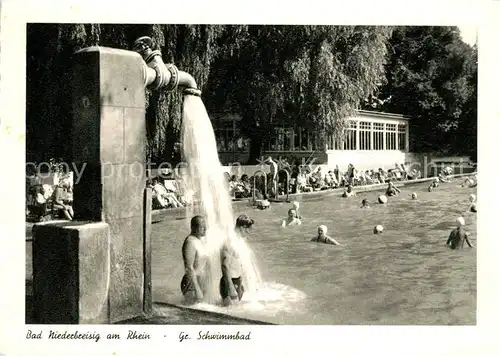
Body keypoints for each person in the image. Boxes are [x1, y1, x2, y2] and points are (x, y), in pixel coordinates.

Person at [219, 215, 254, 306]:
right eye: (248, 230)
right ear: (242, 228)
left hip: (236, 281)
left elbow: (238, 263)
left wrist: (241, 282)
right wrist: (230, 287)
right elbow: (224, 266)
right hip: (230, 283)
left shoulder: (239, 240)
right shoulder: (230, 241)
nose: (249, 233)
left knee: (235, 311)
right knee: (230, 314)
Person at [181, 216, 209, 304]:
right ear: (193, 227)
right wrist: (197, 289)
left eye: (205, 226)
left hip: (200, 280)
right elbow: (189, 267)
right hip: (192, 283)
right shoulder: (190, 242)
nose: (205, 229)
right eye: (201, 227)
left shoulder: (199, 240)